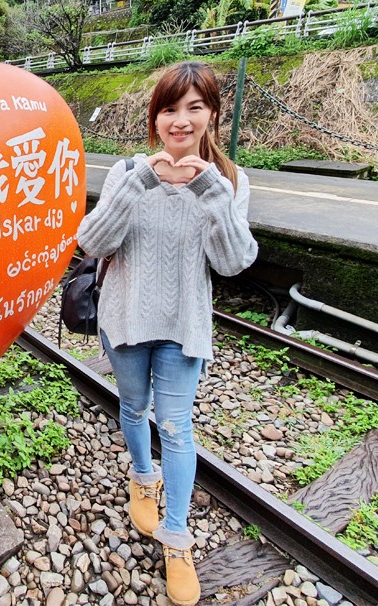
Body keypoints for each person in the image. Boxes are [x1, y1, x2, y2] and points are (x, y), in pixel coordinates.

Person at [77, 61, 257, 606]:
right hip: (126, 318)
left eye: (193, 107)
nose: (180, 120)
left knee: (177, 429)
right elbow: (94, 242)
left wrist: (210, 194)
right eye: (169, 109)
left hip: (183, 327)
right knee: (133, 408)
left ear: (212, 115)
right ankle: (141, 475)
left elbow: (232, 263)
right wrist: (143, 183)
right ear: (154, 117)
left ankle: (177, 539)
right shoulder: (128, 170)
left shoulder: (229, 181)